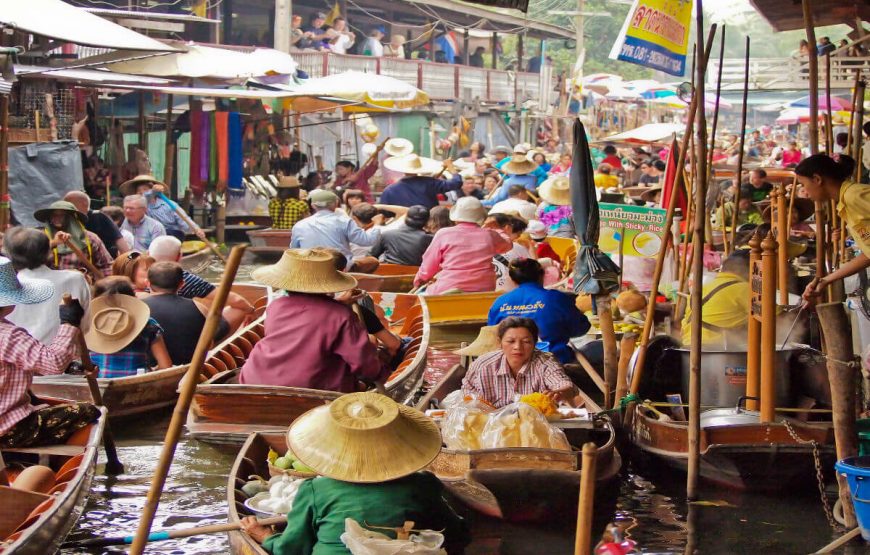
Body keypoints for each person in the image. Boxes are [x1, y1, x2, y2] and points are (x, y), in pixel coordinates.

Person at [239, 391, 470, 554]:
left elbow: (292, 549)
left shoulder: (315, 490)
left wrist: (264, 536)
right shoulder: (423, 485)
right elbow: (457, 535)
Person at [240, 249, 388, 391]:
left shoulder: (276, 306)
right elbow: (363, 362)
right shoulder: (340, 314)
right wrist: (382, 373)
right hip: (311, 388)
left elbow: (311, 320)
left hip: (254, 378)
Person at [0, 257, 98, 448]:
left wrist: (72, 367)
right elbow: (53, 364)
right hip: (8, 427)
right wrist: (69, 323)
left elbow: (14, 365)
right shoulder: (8, 335)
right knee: (89, 412)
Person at [797, 155, 870, 302]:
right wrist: (826, 280)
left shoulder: (854, 195)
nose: (804, 191)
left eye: (803, 184)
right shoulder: (845, 203)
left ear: (817, 179)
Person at [461, 317, 577, 408]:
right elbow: (467, 392)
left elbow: (565, 385)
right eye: (510, 341)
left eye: (526, 341)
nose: (517, 347)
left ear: (535, 343)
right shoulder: (483, 365)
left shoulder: (545, 363)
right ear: (500, 342)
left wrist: (559, 393)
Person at [488, 259, 589, 363]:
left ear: (513, 280)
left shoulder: (499, 303)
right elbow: (581, 327)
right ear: (541, 276)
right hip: (554, 362)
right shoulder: (556, 298)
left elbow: (493, 336)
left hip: (511, 364)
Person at [4, 227, 90, 343]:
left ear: (10, 256)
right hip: (66, 353)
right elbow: (85, 325)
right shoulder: (75, 279)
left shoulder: (5, 289)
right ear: (48, 252)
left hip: (18, 357)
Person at [148, 235, 255, 329]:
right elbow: (237, 301)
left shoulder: (137, 276)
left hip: (149, 331)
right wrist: (251, 311)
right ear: (179, 256)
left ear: (148, 253)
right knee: (239, 309)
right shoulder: (186, 278)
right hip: (183, 330)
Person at [414, 197, 512, 295]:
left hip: (448, 287)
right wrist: (498, 230)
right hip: (484, 288)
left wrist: (420, 279)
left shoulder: (443, 234)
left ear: (456, 217)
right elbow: (508, 245)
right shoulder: (490, 234)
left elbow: (429, 265)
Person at [85, 276, 172, 378]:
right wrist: (151, 371)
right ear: (133, 297)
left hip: (100, 386)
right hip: (138, 386)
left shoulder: (88, 324)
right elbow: (165, 365)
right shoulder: (148, 323)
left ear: (95, 299)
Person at [144, 262, 229, 365]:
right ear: (182, 284)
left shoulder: (140, 309)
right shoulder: (200, 307)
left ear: (148, 283)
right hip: (193, 368)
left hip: (153, 371)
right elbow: (213, 339)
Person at [291, 190, 380, 272]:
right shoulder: (345, 221)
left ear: (313, 205)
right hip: (340, 269)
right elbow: (368, 240)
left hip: (309, 268)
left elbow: (293, 250)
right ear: (336, 204)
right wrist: (377, 224)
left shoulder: (299, 225)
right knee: (372, 261)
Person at [681, 251, 751, 347]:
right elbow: (773, 318)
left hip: (689, 347)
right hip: (719, 349)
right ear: (746, 271)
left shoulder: (701, 289)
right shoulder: (744, 288)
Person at [33, 200, 114, 277]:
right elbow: (29, 260)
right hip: (50, 287)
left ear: (72, 217)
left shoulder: (89, 238)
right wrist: (53, 243)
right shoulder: (41, 237)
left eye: (61, 215)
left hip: (81, 285)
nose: (57, 218)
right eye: (54, 215)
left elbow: (106, 265)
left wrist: (104, 286)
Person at [120, 175, 205, 242]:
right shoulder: (139, 207)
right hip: (147, 237)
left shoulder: (169, 204)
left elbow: (184, 220)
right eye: (138, 191)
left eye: (145, 189)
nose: (142, 192)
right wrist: (152, 191)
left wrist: (196, 229)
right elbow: (145, 197)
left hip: (171, 236)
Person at [64, 190, 129, 257]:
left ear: (83, 203)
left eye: (68, 204)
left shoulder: (99, 218)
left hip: (103, 262)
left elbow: (122, 246)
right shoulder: (65, 220)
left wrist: (128, 263)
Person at [380, 155, 461, 208]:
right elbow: (456, 182)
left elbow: (383, 212)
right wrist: (451, 167)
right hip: (427, 225)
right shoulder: (430, 183)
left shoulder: (389, 190)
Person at [486, 212, 530, 291]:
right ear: (507, 228)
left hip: (483, 293)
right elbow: (532, 271)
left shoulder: (475, 247)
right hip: (510, 296)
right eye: (518, 234)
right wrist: (531, 248)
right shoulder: (518, 248)